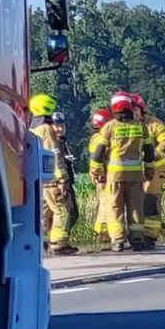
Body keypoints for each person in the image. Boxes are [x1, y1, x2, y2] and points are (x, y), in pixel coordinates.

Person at [90, 92, 154, 251]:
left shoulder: (109, 127)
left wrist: (95, 171)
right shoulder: (141, 126)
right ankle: (137, 238)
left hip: (115, 176)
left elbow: (99, 153)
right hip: (135, 176)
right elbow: (149, 151)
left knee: (115, 207)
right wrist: (149, 169)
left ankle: (118, 240)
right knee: (136, 207)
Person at [28, 95, 77, 255]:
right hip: (51, 180)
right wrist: (62, 179)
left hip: (39, 180)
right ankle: (59, 243)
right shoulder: (46, 129)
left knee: (43, 214)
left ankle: (41, 243)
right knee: (62, 211)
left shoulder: (31, 129)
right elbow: (54, 155)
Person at [133, 94, 165, 246]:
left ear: (141, 110)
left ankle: (150, 236)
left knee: (151, 202)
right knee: (135, 204)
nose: (133, 113)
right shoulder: (127, 126)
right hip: (135, 172)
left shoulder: (153, 124)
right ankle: (136, 236)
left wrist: (154, 154)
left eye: (135, 109)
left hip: (155, 172)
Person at [88, 108, 113, 239]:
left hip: (102, 175)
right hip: (103, 176)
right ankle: (103, 232)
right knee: (106, 204)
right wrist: (101, 176)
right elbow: (98, 158)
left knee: (105, 203)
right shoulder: (100, 139)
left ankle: (102, 232)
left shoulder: (95, 138)